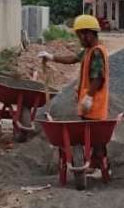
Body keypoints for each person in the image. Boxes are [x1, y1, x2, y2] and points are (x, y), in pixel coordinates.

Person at [37, 15, 110, 161]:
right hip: (88, 103)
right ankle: (97, 164)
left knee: (96, 138)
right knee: (93, 137)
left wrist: (89, 97)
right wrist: (51, 57)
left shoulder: (96, 52)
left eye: (80, 36)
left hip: (94, 103)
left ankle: (100, 164)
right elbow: (73, 59)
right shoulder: (89, 50)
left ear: (88, 34)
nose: (79, 39)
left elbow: (98, 78)